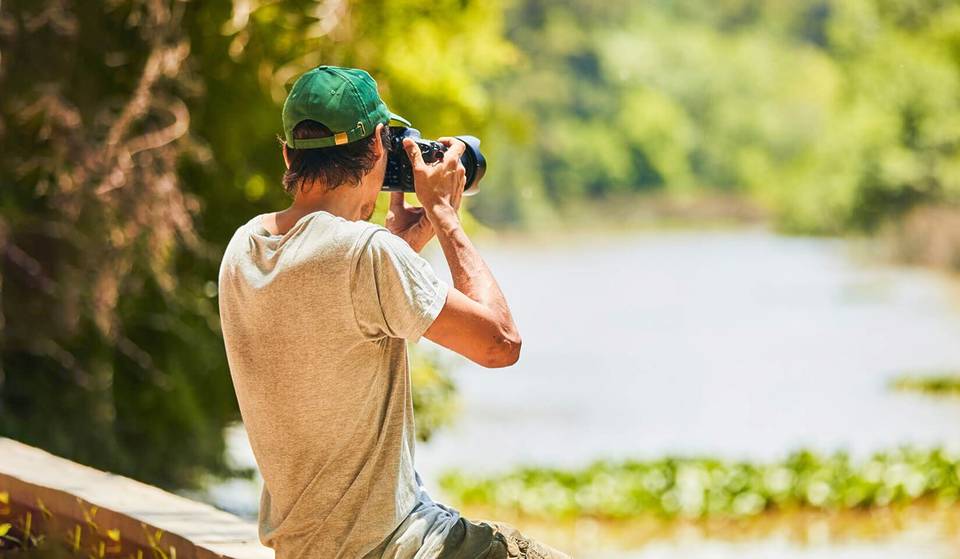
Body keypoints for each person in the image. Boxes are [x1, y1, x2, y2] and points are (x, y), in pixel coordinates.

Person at [217, 65, 571, 559]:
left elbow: (334, 306)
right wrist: (445, 216)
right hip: (395, 547)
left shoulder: (246, 247)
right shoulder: (366, 254)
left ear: (287, 153)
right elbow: (501, 344)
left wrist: (406, 243)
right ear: (381, 145)